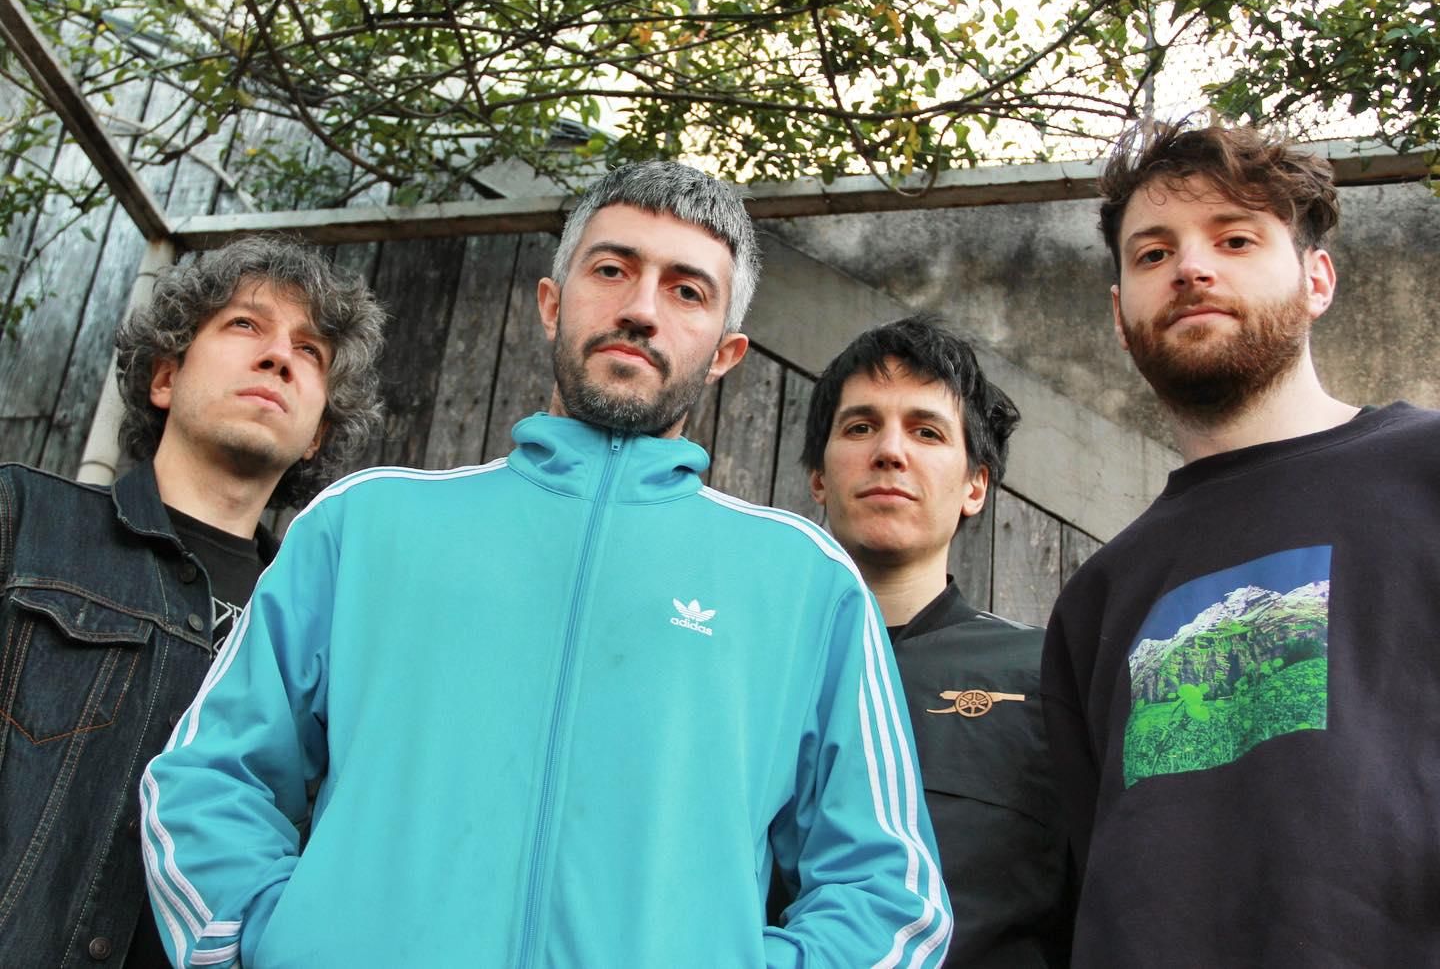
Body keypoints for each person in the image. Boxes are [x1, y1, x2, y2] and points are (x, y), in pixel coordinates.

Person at [140, 162, 953, 967]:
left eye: (686, 291)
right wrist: (278, 941)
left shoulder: (804, 583)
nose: (640, 309)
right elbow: (209, 780)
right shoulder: (365, 524)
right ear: (551, 302)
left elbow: (890, 899)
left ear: (725, 352)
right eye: (612, 270)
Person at [1041, 121, 1440, 965]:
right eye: (1153, 254)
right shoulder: (1098, 598)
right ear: (1120, 316)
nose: (1191, 268)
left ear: (1317, 279)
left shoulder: (1427, 472)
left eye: (1235, 239)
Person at [0, 235, 385, 968]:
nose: (279, 357)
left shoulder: (332, 634)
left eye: (309, 350)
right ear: (165, 377)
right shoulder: (21, 522)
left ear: (317, 436)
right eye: (245, 324)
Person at [796, 315, 1072, 967]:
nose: (890, 451)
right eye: (860, 427)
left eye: (927, 431)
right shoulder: (745, 671)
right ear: (819, 478)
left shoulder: (1048, 678)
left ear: (975, 485)